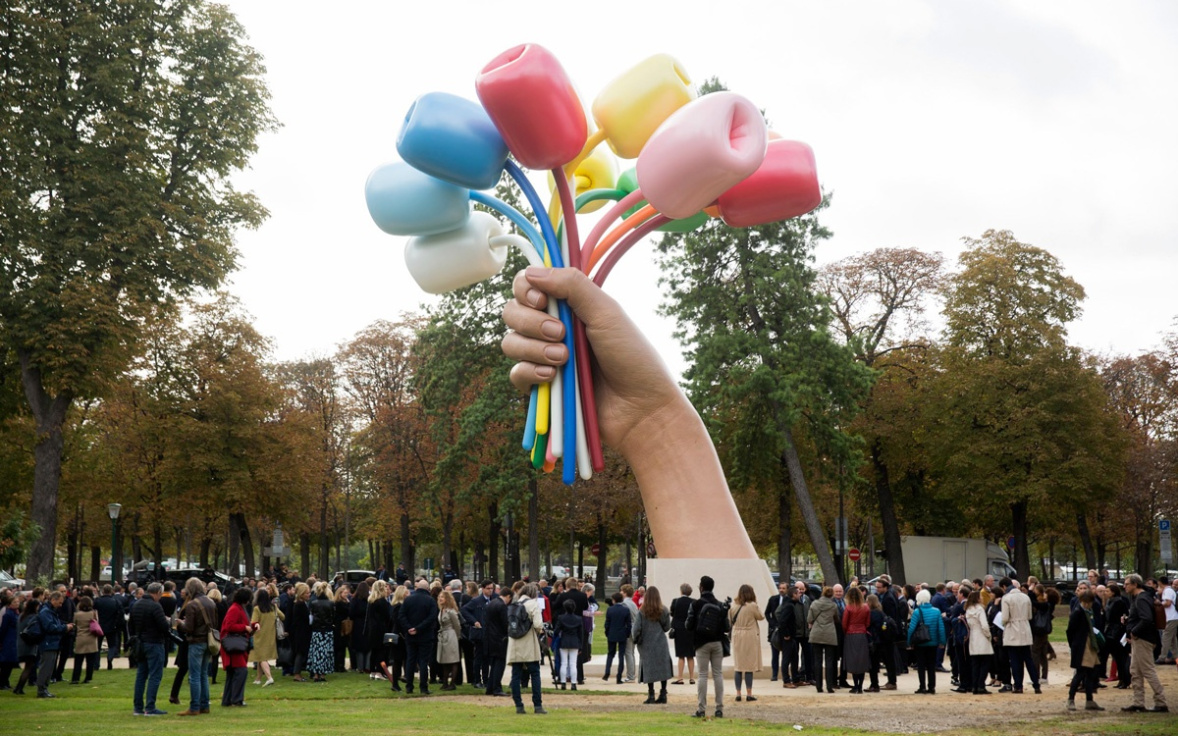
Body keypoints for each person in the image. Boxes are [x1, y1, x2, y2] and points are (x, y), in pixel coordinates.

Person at [1122, 573, 1168, 712]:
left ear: (1135, 584)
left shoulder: (1141, 598)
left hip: (1143, 639)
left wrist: (1134, 631)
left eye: (1127, 584)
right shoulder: (1139, 598)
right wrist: (1129, 621)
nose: (1124, 586)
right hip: (1140, 639)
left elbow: (1146, 619)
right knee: (1135, 671)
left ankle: (1161, 702)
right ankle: (1138, 703)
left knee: (1148, 670)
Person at [685, 575, 729, 718]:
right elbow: (726, 627)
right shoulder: (720, 604)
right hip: (717, 642)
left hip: (701, 643)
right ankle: (719, 708)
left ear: (701, 587)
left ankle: (701, 709)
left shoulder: (695, 604)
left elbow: (689, 625)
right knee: (718, 674)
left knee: (702, 675)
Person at [130, 582, 169, 715]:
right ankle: (150, 707)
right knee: (155, 675)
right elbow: (164, 626)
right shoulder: (155, 606)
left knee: (141, 675)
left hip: (140, 642)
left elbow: (131, 625)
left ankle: (138, 707)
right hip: (154, 642)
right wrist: (168, 622)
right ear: (158, 592)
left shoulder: (137, 604)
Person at [507, 582, 546, 714]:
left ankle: (519, 705)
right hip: (528, 641)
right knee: (534, 673)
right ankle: (537, 705)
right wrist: (540, 631)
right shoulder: (533, 604)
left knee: (515, 675)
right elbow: (538, 624)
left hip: (515, 642)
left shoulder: (514, 604)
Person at [632, 585, 672, 704]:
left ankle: (651, 694)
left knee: (649, 668)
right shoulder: (663, 610)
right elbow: (667, 627)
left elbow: (636, 629)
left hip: (646, 643)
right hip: (660, 642)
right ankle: (663, 693)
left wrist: (636, 639)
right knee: (663, 667)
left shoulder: (642, 611)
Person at [399, 579, 439, 695]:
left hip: (410, 635)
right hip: (425, 635)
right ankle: (423, 687)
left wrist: (409, 628)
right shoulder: (430, 600)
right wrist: (418, 628)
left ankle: (409, 686)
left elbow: (402, 615)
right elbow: (432, 617)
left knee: (410, 660)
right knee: (423, 662)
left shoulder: (408, 599)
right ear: (427, 588)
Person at [219, 587, 258, 706]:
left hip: (236, 644)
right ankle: (236, 699)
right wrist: (245, 628)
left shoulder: (238, 608)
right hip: (235, 646)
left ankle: (228, 700)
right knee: (241, 671)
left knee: (232, 674)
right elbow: (229, 626)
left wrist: (253, 625)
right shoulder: (235, 609)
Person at [1066, 590, 1104, 711]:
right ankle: (1071, 699)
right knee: (1080, 673)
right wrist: (1073, 645)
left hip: (1089, 644)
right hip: (1081, 646)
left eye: (1089, 602)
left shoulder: (1089, 612)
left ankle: (1089, 700)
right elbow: (1070, 631)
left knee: (1091, 673)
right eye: (1085, 602)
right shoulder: (1077, 612)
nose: (1087, 605)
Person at [1000, 580, 1040, 694]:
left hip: (1012, 629)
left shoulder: (1006, 598)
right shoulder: (1026, 597)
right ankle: (1036, 684)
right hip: (1025, 628)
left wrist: (1004, 624)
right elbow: (1029, 615)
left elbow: (1005, 617)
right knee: (1028, 659)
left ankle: (1018, 685)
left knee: (1015, 661)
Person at [728, 583, 764, 702]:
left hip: (737, 635)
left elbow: (729, 620)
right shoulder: (752, 605)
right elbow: (761, 616)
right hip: (749, 636)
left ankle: (738, 693)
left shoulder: (733, 606)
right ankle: (749, 693)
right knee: (749, 666)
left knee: (738, 666)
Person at [35, 590, 74, 699]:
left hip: (52, 643)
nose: (60, 605)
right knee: (46, 668)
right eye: (59, 602)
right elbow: (50, 627)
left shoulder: (50, 611)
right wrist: (65, 627)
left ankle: (44, 689)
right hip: (48, 643)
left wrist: (65, 625)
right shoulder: (46, 612)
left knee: (49, 668)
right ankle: (41, 690)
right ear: (53, 600)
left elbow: (55, 624)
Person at [907, 588, 946, 695]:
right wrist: (942, 642)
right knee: (931, 666)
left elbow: (911, 628)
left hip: (920, 643)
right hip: (933, 642)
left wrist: (909, 642)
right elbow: (941, 628)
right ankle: (931, 687)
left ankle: (922, 687)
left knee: (921, 666)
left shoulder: (917, 612)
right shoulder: (937, 611)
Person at [461, 579, 493, 689]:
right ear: (483, 589)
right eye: (488, 588)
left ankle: (486, 679)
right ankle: (477, 680)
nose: (490, 591)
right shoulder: (476, 601)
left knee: (486, 657)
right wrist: (474, 621)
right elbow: (464, 610)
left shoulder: (493, 599)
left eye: (491, 588)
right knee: (479, 656)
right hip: (479, 633)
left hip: (489, 633)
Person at [807, 587, 840, 694]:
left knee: (817, 660)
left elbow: (809, 619)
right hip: (829, 633)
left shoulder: (814, 604)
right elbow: (837, 619)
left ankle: (819, 686)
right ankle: (829, 686)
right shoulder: (833, 605)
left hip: (817, 632)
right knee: (829, 660)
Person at [249, 588, 283, 687]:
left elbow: (254, 623)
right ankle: (258, 678)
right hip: (271, 635)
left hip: (259, 636)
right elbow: (282, 616)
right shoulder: (273, 607)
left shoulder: (257, 609)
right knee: (261, 657)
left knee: (261, 657)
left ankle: (269, 677)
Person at [841, 586, 870, 694]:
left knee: (853, 660)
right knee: (862, 660)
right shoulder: (866, 607)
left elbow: (844, 623)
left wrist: (846, 632)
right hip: (862, 634)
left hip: (850, 634)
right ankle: (860, 686)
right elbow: (867, 623)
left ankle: (856, 686)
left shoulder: (848, 607)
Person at [963, 589, 993, 695]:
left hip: (973, 636)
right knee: (985, 664)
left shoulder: (968, 610)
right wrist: (988, 635)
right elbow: (984, 625)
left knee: (975, 664)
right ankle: (981, 685)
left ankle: (975, 686)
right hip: (982, 636)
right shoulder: (980, 609)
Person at [484, 585, 511, 697]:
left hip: (490, 637)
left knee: (494, 663)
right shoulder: (502, 606)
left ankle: (490, 687)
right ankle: (497, 688)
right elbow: (505, 623)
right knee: (500, 663)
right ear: (508, 596)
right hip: (500, 638)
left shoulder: (491, 603)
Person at [1103, 583, 1131, 689]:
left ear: (1113, 592)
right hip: (1111, 631)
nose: (1105, 593)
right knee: (1117, 658)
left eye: (1108, 591)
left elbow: (1122, 617)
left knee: (1121, 657)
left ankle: (1125, 679)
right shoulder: (1109, 602)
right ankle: (1121, 679)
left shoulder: (1119, 602)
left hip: (1117, 632)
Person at [68, 595, 101, 685]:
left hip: (81, 638)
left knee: (78, 660)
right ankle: (88, 677)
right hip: (91, 638)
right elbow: (96, 623)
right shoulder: (93, 613)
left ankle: (75, 678)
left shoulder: (77, 614)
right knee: (90, 661)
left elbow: (74, 625)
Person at [1031, 584, 1060, 683]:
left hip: (1039, 631)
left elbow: (1034, 602)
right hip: (1044, 631)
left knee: (1035, 652)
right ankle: (1043, 677)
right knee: (1042, 654)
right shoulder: (1050, 605)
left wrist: (1030, 592)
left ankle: (1036, 676)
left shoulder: (1046, 605)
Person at [307, 581, 334, 683]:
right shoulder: (331, 603)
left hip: (316, 630)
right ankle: (323, 674)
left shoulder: (313, 603)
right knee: (326, 652)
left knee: (316, 652)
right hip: (327, 630)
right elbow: (333, 617)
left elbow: (311, 617)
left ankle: (315, 674)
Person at [436, 589, 463, 690]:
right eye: (439, 597)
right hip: (443, 636)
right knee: (444, 660)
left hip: (451, 635)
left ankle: (452, 683)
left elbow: (457, 625)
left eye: (442, 597)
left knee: (453, 660)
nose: (440, 599)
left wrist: (457, 637)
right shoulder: (441, 610)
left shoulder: (451, 611)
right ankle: (445, 682)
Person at [13, 598, 40, 695]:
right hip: (29, 643)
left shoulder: (22, 616)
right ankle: (19, 687)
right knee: (28, 667)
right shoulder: (33, 617)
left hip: (21, 642)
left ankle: (18, 687)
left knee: (27, 667)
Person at [366, 580, 392, 680]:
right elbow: (387, 616)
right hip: (381, 629)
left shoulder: (371, 601)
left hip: (372, 629)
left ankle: (372, 671)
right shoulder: (382, 602)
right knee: (381, 651)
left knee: (374, 651)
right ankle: (379, 672)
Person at [94, 585, 125, 670]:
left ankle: (96, 664)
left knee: (97, 646)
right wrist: (117, 624)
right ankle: (110, 658)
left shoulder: (98, 601)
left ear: (103, 591)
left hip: (100, 626)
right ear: (111, 591)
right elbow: (121, 613)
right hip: (112, 626)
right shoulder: (115, 601)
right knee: (112, 645)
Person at [670, 583, 695, 685]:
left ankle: (680, 677)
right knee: (690, 655)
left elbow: (672, 613)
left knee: (681, 655)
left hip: (679, 629)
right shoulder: (694, 602)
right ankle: (692, 677)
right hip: (690, 630)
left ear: (681, 591)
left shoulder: (676, 601)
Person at [554, 598, 582, 690]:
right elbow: (580, 634)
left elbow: (556, 631)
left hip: (564, 641)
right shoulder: (578, 619)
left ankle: (563, 683)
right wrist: (580, 646)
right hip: (574, 642)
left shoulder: (561, 618)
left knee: (563, 663)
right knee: (573, 664)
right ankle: (573, 684)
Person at [386, 585, 409, 692]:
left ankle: (398, 681)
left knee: (399, 660)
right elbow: (398, 621)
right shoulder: (399, 607)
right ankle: (395, 683)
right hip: (400, 637)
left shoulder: (395, 606)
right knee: (398, 660)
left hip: (398, 635)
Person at [764, 582, 788, 682]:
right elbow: (767, 613)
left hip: (785, 630)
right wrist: (772, 623)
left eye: (783, 588)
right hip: (774, 630)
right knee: (775, 654)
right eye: (780, 588)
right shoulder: (773, 599)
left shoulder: (789, 600)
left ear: (787, 589)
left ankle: (785, 675)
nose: (781, 590)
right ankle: (774, 674)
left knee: (786, 655)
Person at [288, 582, 312, 681]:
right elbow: (305, 618)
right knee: (300, 653)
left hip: (300, 631)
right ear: (302, 594)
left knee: (300, 652)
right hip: (301, 632)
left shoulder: (300, 603)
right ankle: (297, 674)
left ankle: (297, 673)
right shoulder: (300, 604)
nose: (309, 594)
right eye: (307, 593)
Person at [618, 582, 639, 683]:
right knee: (631, 653)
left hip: (628, 630)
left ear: (625, 593)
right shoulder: (633, 603)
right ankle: (631, 675)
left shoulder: (624, 604)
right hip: (634, 629)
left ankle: (630, 676)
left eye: (622, 591)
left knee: (628, 653)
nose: (620, 593)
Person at [349, 580, 371, 673]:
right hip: (368, 624)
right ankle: (367, 666)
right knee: (368, 646)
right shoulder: (370, 600)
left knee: (359, 648)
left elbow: (351, 613)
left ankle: (360, 667)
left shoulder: (355, 600)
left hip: (357, 625)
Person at [0, 591, 18, 690]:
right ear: (10, 604)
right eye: (15, 602)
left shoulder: (15, 613)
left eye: (17, 602)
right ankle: (2, 682)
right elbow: (3, 629)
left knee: (11, 662)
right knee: (7, 662)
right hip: (8, 640)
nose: (17, 603)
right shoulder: (8, 615)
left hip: (13, 639)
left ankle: (6, 681)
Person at [331, 585, 350, 674]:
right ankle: (339, 665)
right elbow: (347, 611)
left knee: (340, 647)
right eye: (345, 593)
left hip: (340, 626)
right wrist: (348, 603)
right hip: (340, 626)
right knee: (340, 646)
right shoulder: (339, 603)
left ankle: (338, 665)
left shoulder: (337, 603)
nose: (346, 595)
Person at [1161, 576, 1177, 665]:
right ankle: (1176, 656)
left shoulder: (1167, 591)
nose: (1175, 586)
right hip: (1173, 617)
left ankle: (1162, 656)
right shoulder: (1171, 591)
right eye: (1174, 584)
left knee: (1166, 637)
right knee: (1173, 639)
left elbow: (1168, 603)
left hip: (1171, 617)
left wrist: (1159, 603)